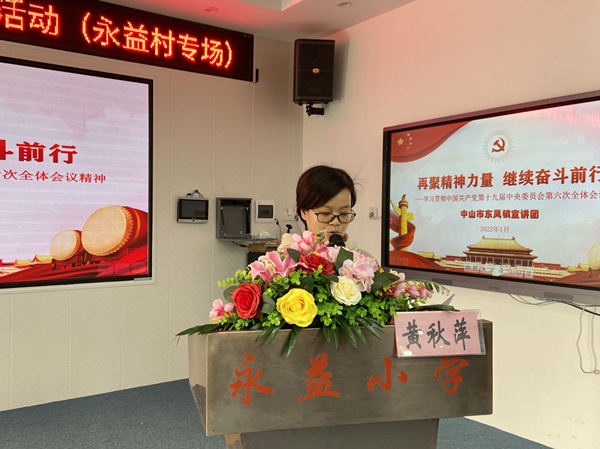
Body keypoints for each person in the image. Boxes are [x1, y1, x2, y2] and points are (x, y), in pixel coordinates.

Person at [279, 165, 361, 251]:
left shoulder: (359, 257)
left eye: (344, 213)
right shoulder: (286, 255)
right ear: (304, 212)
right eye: (326, 213)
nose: (336, 222)